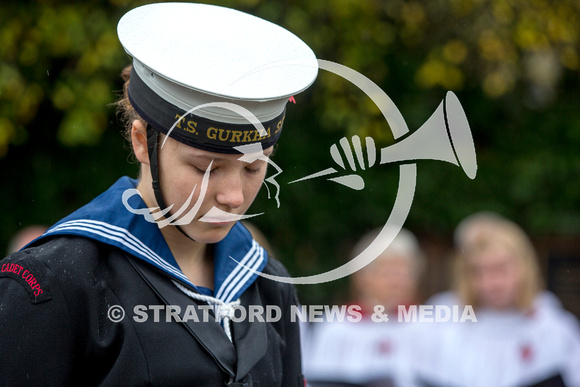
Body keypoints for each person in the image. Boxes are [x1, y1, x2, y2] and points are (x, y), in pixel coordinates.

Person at [0, 3, 318, 386]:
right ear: (140, 141)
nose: (234, 197)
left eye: (255, 167)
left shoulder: (268, 282)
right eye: (207, 168)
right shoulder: (55, 283)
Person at [416, 215, 580, 386]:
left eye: (501, 269)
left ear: (524, 267)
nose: (492, 283)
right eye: (479, 272)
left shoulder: (553, 329)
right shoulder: (443, 327)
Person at [302, 227, 425, 387]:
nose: (397, 282)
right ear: (361, 276)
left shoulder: (426, 326)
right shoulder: (335, 326)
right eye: (388, 272)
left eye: (404, 273)